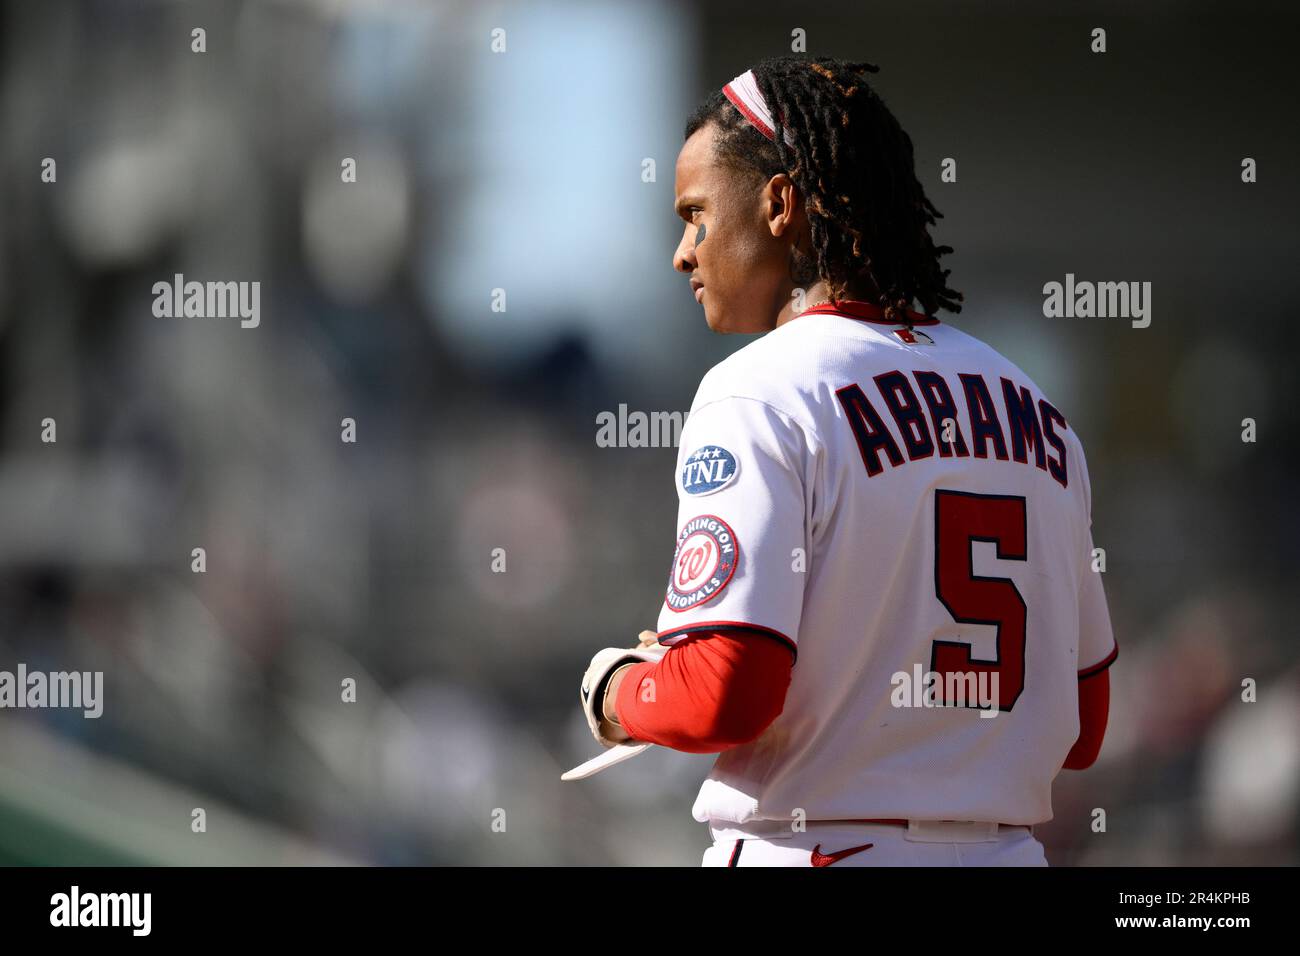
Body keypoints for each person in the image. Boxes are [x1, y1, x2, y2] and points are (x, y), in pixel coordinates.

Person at [577, 55, 1115, 867]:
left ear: (780, 203)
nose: (683, 253)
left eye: (695, 214)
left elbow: (728, 691)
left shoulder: (757, 392)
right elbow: (1085, 721)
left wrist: (620, 690)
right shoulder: (1035, 410)